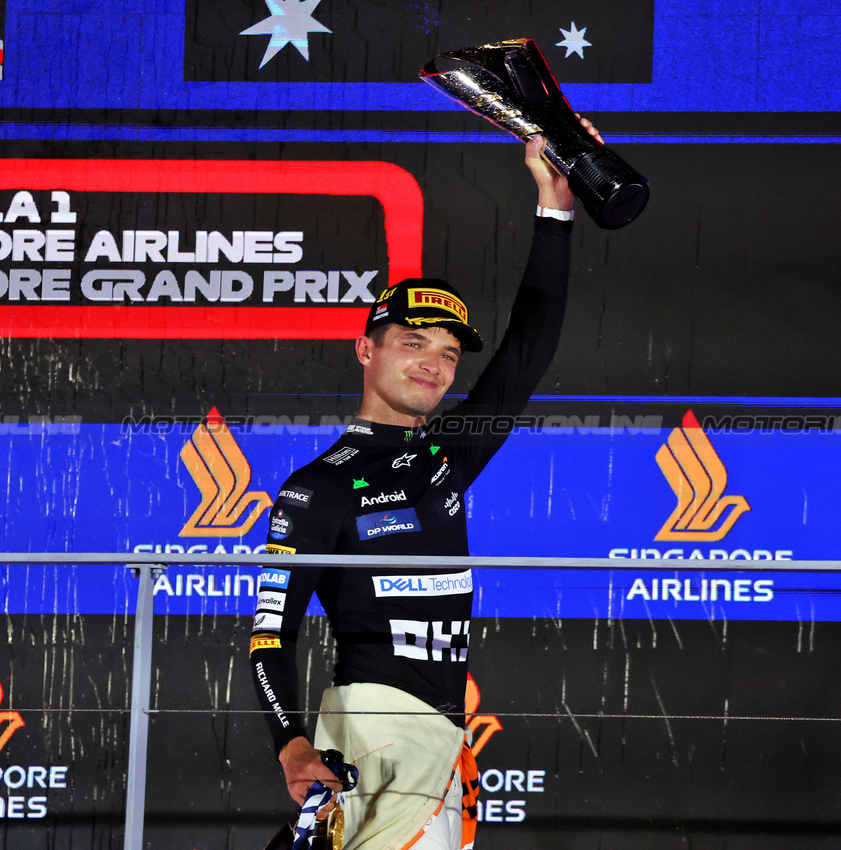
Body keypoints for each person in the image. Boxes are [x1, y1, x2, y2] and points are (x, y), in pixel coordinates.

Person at [249, 120, 596, 850]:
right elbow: (269, 634)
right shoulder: (316, 489)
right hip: (376, 730)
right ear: (364, 349)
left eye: (445, 354)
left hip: (442, 733)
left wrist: (555, 207)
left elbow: (525, 351)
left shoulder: (447, 454)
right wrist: (290, 743)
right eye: (413, 344)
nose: (433, 365)